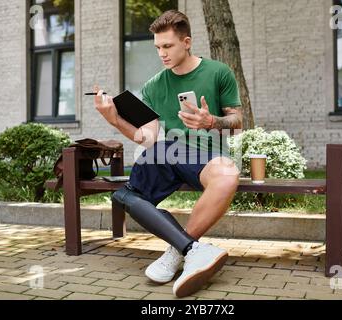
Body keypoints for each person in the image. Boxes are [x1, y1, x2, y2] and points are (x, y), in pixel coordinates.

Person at [93, 10, 242, 298]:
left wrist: (211, 122)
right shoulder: (153, 86)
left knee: (228, 175)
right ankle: (194, 251)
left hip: (207, 154)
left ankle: (178, 251)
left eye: (168, 46)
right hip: (167, 152)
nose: (162, 53)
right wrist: (114, 119)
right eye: (158, 47)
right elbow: (145, 138)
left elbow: (236, 122)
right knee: (126, 195)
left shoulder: (218, 72)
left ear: (186, 42)